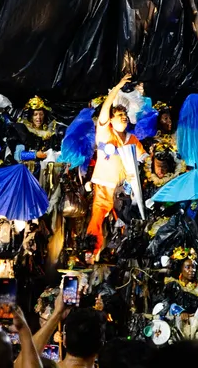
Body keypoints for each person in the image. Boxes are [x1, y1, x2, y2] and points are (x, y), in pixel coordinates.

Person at [86, 74, 147, 260]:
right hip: (104, 185)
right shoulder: (104, 132)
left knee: (126, 222)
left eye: (125, 115)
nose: (123, 117)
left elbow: (144, 158)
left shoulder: (132, 139)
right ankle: (90, 252)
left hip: (124, 189)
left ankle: (122, 256)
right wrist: (117, 87)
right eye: (119, 115)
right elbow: (105, 109)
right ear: (111, 119)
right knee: (97, 218)